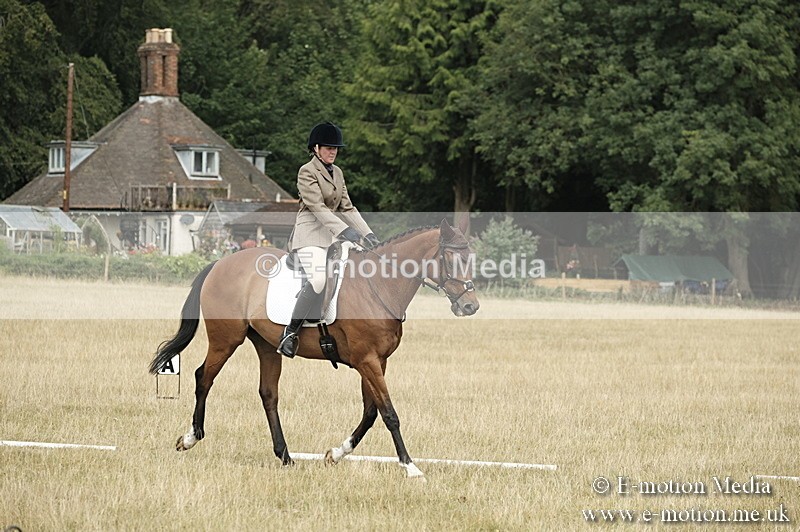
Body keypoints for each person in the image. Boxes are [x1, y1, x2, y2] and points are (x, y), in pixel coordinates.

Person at [277, 122, 380, 357]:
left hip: (333, 237)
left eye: (335, 148)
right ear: (316, 148)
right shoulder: (307, 171)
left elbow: (348, 208)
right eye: (328, 147)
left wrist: (368, 234)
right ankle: (290, 333)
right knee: (319, 279)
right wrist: (345, 232)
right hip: (310, 236)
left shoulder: (338, 172)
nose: (333, 151)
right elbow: (317, 207)